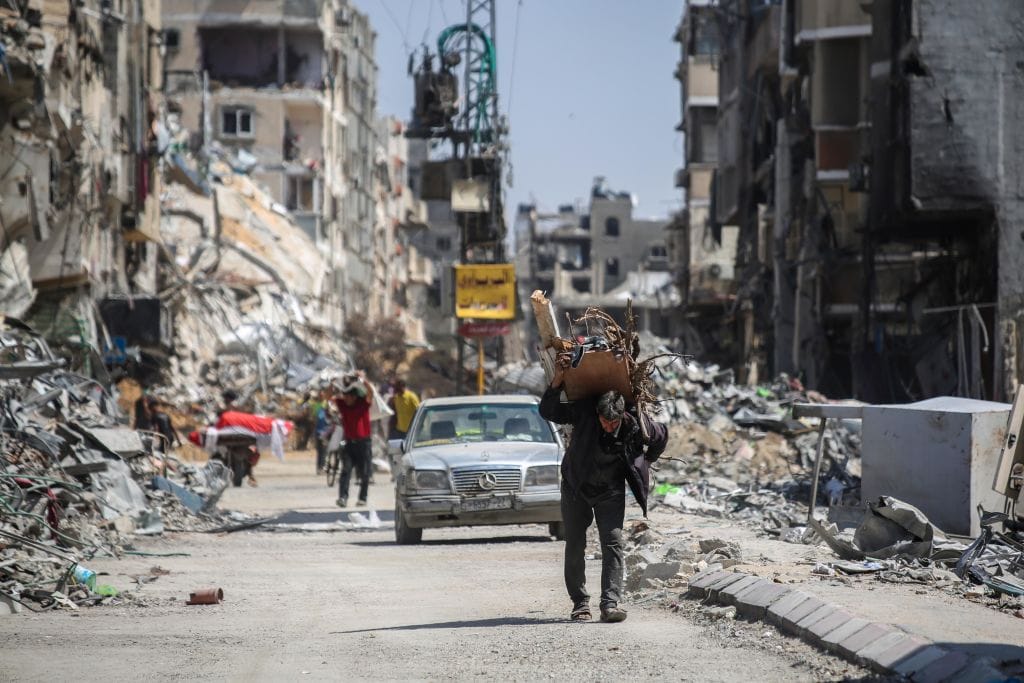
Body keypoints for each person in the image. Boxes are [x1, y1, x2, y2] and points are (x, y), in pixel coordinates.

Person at [539, 352, 668, 624]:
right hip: (576, 487)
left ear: (622, 415)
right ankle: (580, 603)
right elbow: (549, 411)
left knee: (613, 543)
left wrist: (646, 461)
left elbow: (661, 435)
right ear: (597, 414)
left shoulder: (634, 423)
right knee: (575, 543)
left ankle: (610, 604)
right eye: (605, 421)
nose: (609, 427)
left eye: (613, 422)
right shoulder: (585, 412)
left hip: (610, 490)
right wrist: (557, 381)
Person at [333, 371, 375, 508]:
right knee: (346, 470)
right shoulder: (343, 405)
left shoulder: (363, 404)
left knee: (364, 472)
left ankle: (362, 498)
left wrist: (363, 380)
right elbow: (328, 396)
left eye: (348, 396)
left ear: (354, 397)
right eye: (344, 396)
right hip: (349, 443)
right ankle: (342, 497)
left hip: (364, 443)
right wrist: (333, 382)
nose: (345, 399)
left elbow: (371, 393)